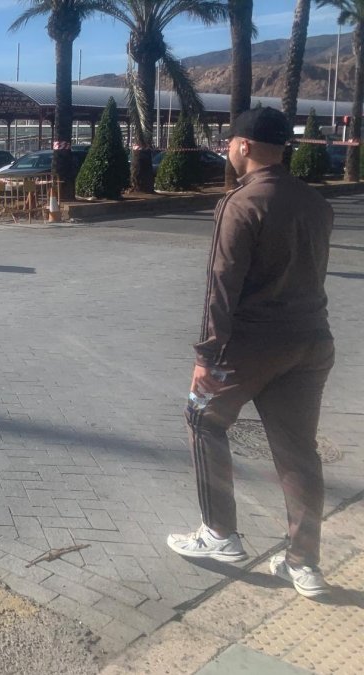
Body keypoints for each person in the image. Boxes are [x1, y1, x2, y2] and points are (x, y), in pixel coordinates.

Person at [166, 106, 336, 599]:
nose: (228, 152)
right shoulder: (315, 202)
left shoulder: (241, 204)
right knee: (299, 453)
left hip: (253, 346)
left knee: (202, 418)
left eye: (230, 144)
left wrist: (207, 357)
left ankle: (219, 534)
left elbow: (221, 286)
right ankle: (304, 564)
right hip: (311, 342)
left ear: (243, 146)